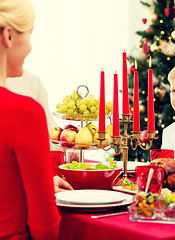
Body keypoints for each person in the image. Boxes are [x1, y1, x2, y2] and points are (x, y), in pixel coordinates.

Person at [0, 0, 67, 239]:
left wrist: (46, 182)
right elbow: (43, 222)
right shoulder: (24, 112)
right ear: (9, 36)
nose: (30, 44)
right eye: (30, 33)